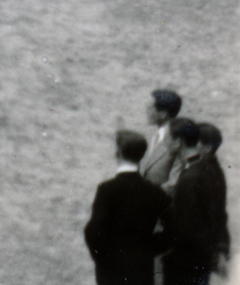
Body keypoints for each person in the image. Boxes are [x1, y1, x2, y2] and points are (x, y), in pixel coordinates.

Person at [83, 129, 172, 285]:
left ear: (117, 153)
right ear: (142, 155)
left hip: (111, 268)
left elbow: (93, 230)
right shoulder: (154, 191)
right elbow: (175, 228)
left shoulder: (107, 189)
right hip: (141, 268)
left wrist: (102, 257)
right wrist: (150, 247)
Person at [164, 121, 230, 285]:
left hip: (186, 263)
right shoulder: (210, 171)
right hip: (199, 260)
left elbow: (188, 225)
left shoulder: (192, 176)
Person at [143, 89, 185, 189]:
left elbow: (174, 182)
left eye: (150, 109)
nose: (146, 112)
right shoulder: (153, 136)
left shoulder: (176, 140)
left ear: (163, 114)